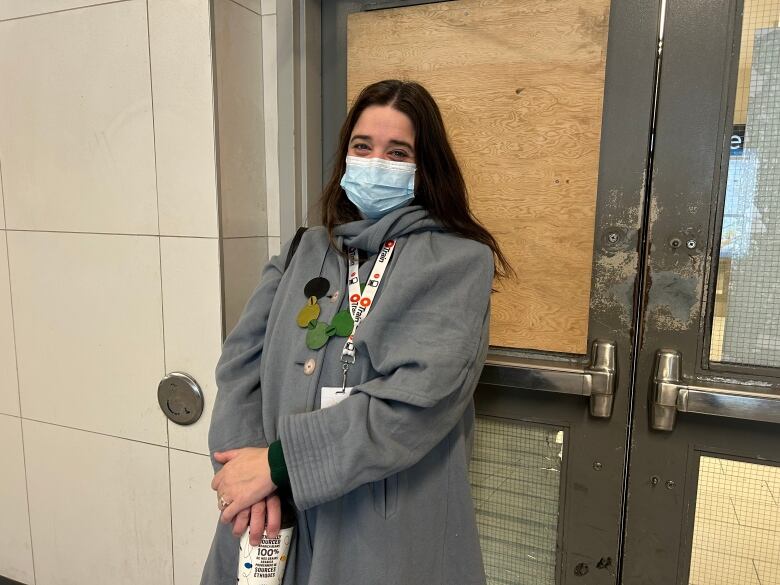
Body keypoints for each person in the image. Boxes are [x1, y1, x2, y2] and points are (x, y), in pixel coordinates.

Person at [201, 79, 512, 585]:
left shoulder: (457, 263)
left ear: (424, 167)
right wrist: (251, 481)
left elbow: (414, 403)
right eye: (362, 147)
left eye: (397, 152)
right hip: (276, 517)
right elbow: (240, 365)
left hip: (380, 526)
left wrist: (279, 465)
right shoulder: (306, 248)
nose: (375, 162)